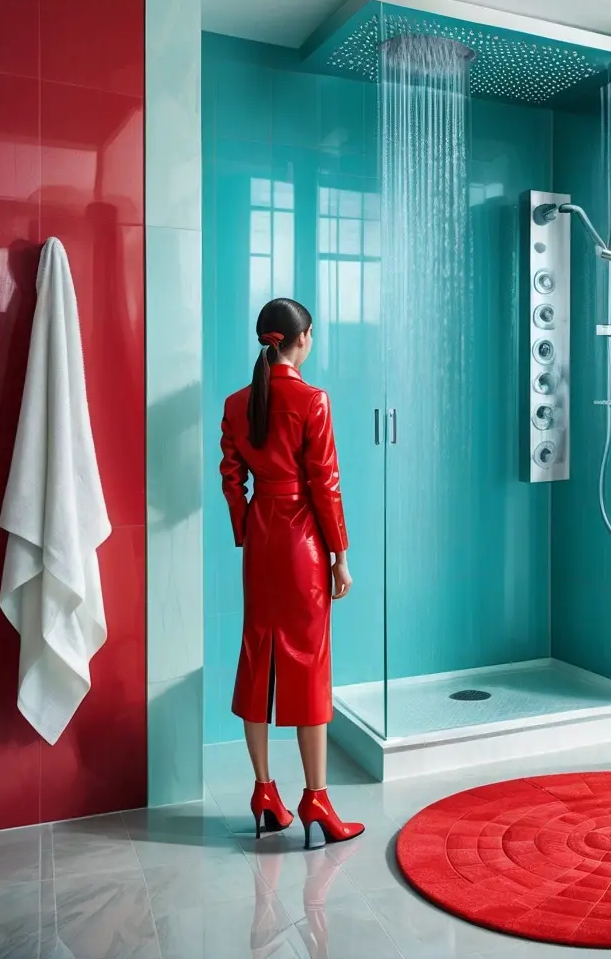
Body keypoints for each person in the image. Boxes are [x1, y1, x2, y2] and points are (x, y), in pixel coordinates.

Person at [220, 297, 364, 849]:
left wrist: (246, 531)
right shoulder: (312, 400)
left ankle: (263, 791)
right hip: (303, 540)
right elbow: (325, 483)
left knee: (258, 655)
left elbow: (232, 479)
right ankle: (317, 800)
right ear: (300, 339)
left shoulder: (237, 404)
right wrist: (340, 556)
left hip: (261, 538)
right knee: (309, 662)